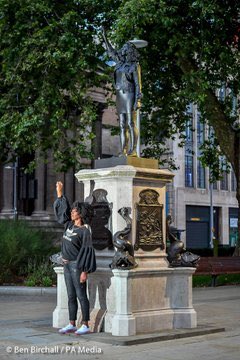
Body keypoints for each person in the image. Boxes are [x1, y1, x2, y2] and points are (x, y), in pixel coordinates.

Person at [53, 181, 96, 335]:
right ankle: (71, 323)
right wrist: (60, 193)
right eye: (72, 210)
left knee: (80, 295)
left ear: (81, 214)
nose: (72, 212)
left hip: (77, 266)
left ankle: (85, 324)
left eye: (75, 211)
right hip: (66, 265)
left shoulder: (84, 231)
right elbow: (62, 212)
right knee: (70, 295)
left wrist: (85, 271)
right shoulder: (69, 226)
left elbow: (87, 252)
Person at [102, 28, 142, 156]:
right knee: (121, 124)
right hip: (120, 95)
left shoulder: (134, 66)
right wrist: (104, 37)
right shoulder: (119, 65)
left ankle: (134, 150)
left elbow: (138, 84)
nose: (122, 49)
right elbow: (111, 51)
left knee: (131, 123)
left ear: (129, 51)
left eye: (125, 48)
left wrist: (138, 100)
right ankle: (124, 151)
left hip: (130, 94)